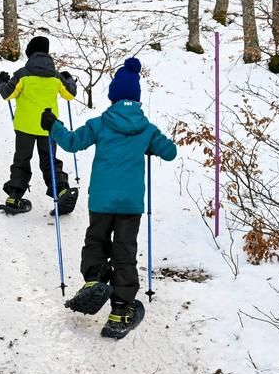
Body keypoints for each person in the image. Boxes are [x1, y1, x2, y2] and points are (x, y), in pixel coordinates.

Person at [41, 57, 178, 339]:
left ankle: (94, 280)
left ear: (113, 97)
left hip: (101, 201)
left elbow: (71, 142)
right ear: (137, 100)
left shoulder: (101, 123)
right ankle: (120, 311)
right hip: (130, 204)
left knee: (96, 241)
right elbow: (170, 152)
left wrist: (53, 125)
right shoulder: (147, 129)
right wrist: (149, 145)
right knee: (124, 252)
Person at [0, 35, 78, 215]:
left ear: (30, 53)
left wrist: (1, 82)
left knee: (21, 161)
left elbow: (7, 94)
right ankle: (61, 191)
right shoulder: (56, 77)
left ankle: (14, 197)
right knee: (49, 161)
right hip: (48, 126)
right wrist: (69, 79)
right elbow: (70, 94)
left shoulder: (22, 75)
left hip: (24, 127)